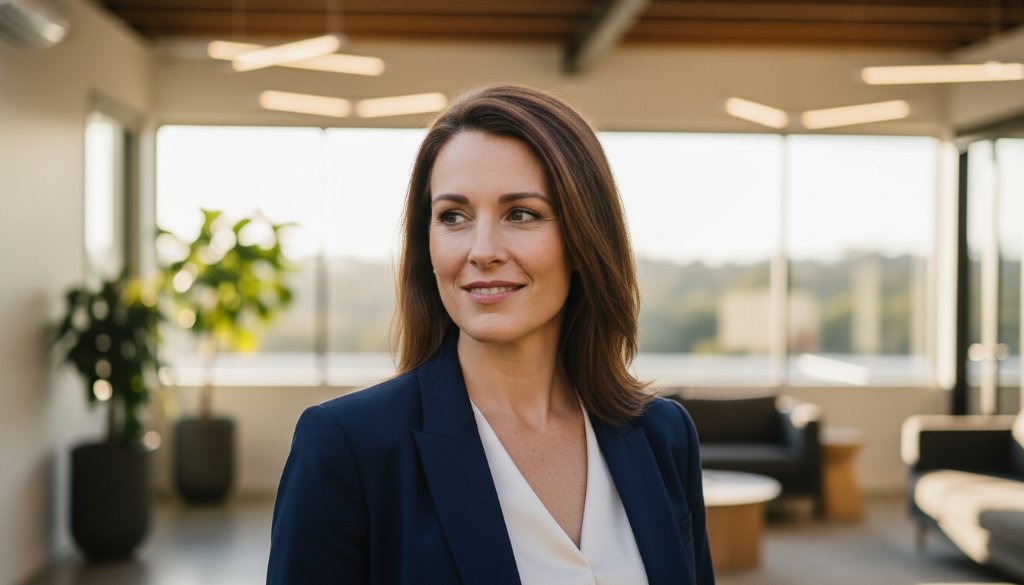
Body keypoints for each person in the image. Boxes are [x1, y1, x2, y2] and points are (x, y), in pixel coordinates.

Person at [267, 84, 714, 585]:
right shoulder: (349, 447)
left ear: (585, 234)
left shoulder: (663, 435)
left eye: (520, 213)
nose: (482, 250)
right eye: (453, 216)